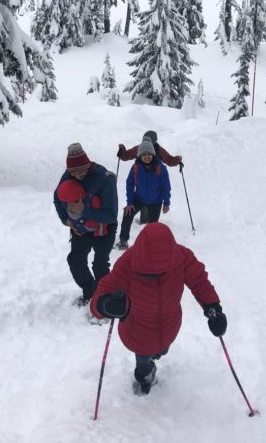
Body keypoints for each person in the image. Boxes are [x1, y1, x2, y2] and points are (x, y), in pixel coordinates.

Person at [91, 223, 227, 395]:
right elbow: (102, 292)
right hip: (138, 332)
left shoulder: (182, 257)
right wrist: (104, 305)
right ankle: (145, 375)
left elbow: (199, 282)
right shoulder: (127, 263)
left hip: (169, 326)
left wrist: (213, 308)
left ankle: (157, 353)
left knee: (161, 350)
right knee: (143, 361)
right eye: (148, 274)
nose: (155, 277)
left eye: (162, 272)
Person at [53, 143, 118, 305]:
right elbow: (57, 197)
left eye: (81, 170)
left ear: (88, 164)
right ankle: (90, 293)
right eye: (73, 172)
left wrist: (84, 210)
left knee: (100, 266)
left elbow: (111, 216)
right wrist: (67, 220)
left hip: (104, 229)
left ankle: (104, 299)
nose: (77, 175)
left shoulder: (105, 180)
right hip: (80, 228)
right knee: (75, 261)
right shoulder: (69, 175)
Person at [115, 139, 171, 250]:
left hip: (156, 201)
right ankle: (123, 241)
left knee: (153, 226)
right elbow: (129, 184)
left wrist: (166, 203)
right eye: (143, 154)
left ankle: (150, 245)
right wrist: (130, 203)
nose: (146, 156)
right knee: (127, 215)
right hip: (139, 198)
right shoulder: (136, 167)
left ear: (153, 154)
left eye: (149, 154)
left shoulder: (161, 168)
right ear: (140, 156)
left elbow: (166, 186)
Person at [117, 130, 182, 224]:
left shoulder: (157, 149)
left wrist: (176, 160)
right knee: (144, 203)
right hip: (142, 179)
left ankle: (146, 222)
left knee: (149, 204)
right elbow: (127, 156)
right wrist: (122, 152)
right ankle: (144, 221)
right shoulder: (142, 148)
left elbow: (169, 160)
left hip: (154, 181)